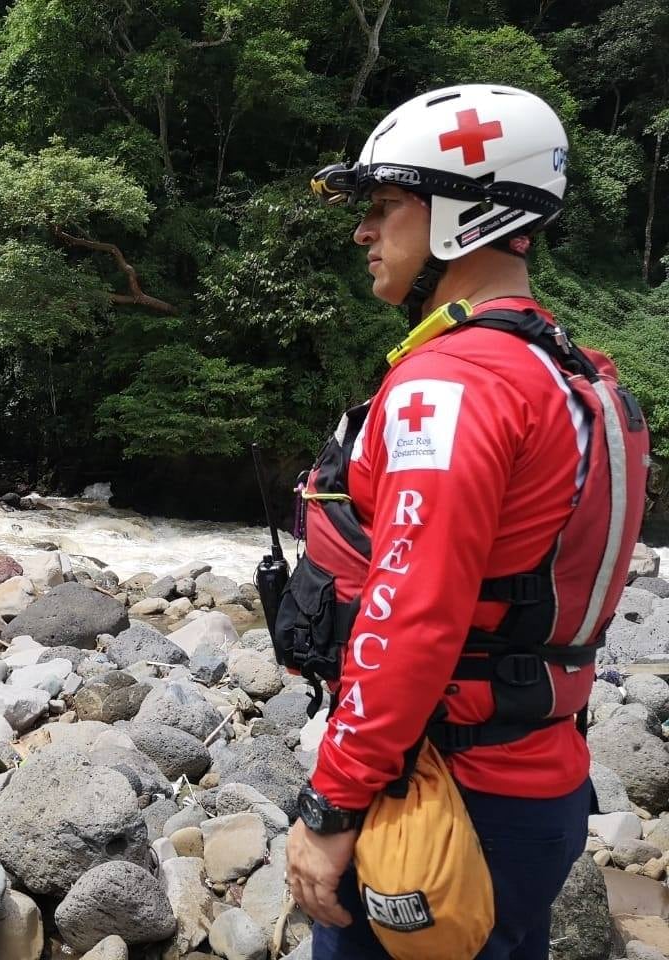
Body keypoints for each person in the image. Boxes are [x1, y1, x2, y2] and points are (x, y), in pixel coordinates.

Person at [285, 84, 646, 959]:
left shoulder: (453, 385)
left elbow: (410, 617)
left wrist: (330, 807)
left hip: (446, 796)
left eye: (384, 206)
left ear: (461, 214)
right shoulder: (575, 374)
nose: (363, 232)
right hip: (538, 781)